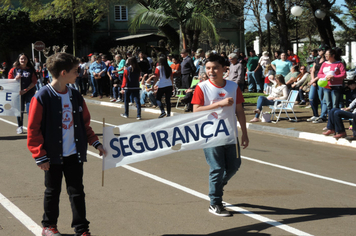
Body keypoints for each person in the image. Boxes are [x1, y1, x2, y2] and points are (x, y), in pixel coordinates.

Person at [27, 52, 106, 236]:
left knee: (77, 192)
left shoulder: (75, 95)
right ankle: (49, 226)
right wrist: (40, 155)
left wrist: (95, 143)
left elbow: (85, 124)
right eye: (75, 71)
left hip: (74, 154)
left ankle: (82, 229)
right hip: (52, 156)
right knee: (52, 192)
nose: (78, 74)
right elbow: (33, 129)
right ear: (64, 73)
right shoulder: (42, 96)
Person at [191, 54, 249, 217]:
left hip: (230, 134)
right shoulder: (201, 87)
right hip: (210, 135)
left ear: (225, 69)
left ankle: (216, 186)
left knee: (234, 166)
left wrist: (244, 133)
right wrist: (219, 104)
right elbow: (196, 111)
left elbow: (239, 110)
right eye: (208, 68)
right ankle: (215, 202)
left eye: (215, 68)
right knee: (217, 168)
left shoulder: (233, 86)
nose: (211, 71)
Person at [8, 53, 37, 134]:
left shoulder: (31, 70)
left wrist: (26, 90)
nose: (23, 60)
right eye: (21, 59)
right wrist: (15, 79)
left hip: (29, 92)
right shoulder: (14, 70)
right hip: (18, 93)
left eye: (24, 59)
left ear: (27, 60)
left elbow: (34, 82)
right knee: (19, 110)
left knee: (30, 109)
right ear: (19, 60)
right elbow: (9, 81)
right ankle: (20, 126)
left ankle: (31, 127)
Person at [315, 48, 346, 123]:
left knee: (335, 105)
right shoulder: (324, 63)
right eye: (325, 54)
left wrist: (334, 77)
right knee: (328, 105)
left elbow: (344, 74)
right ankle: (330, 122)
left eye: (327, 55)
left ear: (333, 55)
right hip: (326, 86)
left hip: (336, 86)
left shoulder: (339, 63)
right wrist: (325, 77)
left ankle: (336, 122)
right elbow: (319, 74)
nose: (325, 56)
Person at [307, 44, 329, 123]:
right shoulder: (317, 59)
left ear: (324, 51)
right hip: (314, 81)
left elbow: (323, 73)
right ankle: (315, 114)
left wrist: (314, 80)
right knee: (311, 98)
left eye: (320, 50)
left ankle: (323, 116)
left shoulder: (326, 61)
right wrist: (313, 80)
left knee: (322, 99)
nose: (318, 52)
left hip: (322, 81)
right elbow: (313, 70)